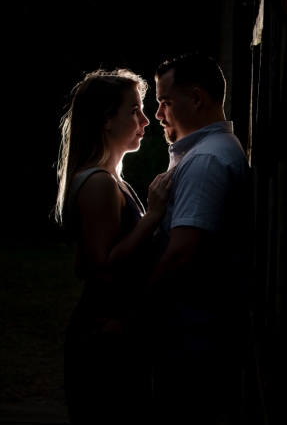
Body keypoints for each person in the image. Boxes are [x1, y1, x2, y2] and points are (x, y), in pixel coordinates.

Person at [55, 69, 174, 425]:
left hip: (112, 332)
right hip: (103, 336)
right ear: (106, 120)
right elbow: (103, 266)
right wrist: (152, 217)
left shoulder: (110, 180)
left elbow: (82, 264)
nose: (144, 120)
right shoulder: (99, 183)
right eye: (134, 110)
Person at [149, 53, 253, 425]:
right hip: (196, 337)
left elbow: (181, 255)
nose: (159, 114)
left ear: (196, 98)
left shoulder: (207, 160)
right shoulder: (207, 153)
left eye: (165, 102)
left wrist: (132, 316)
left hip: (194, 342)